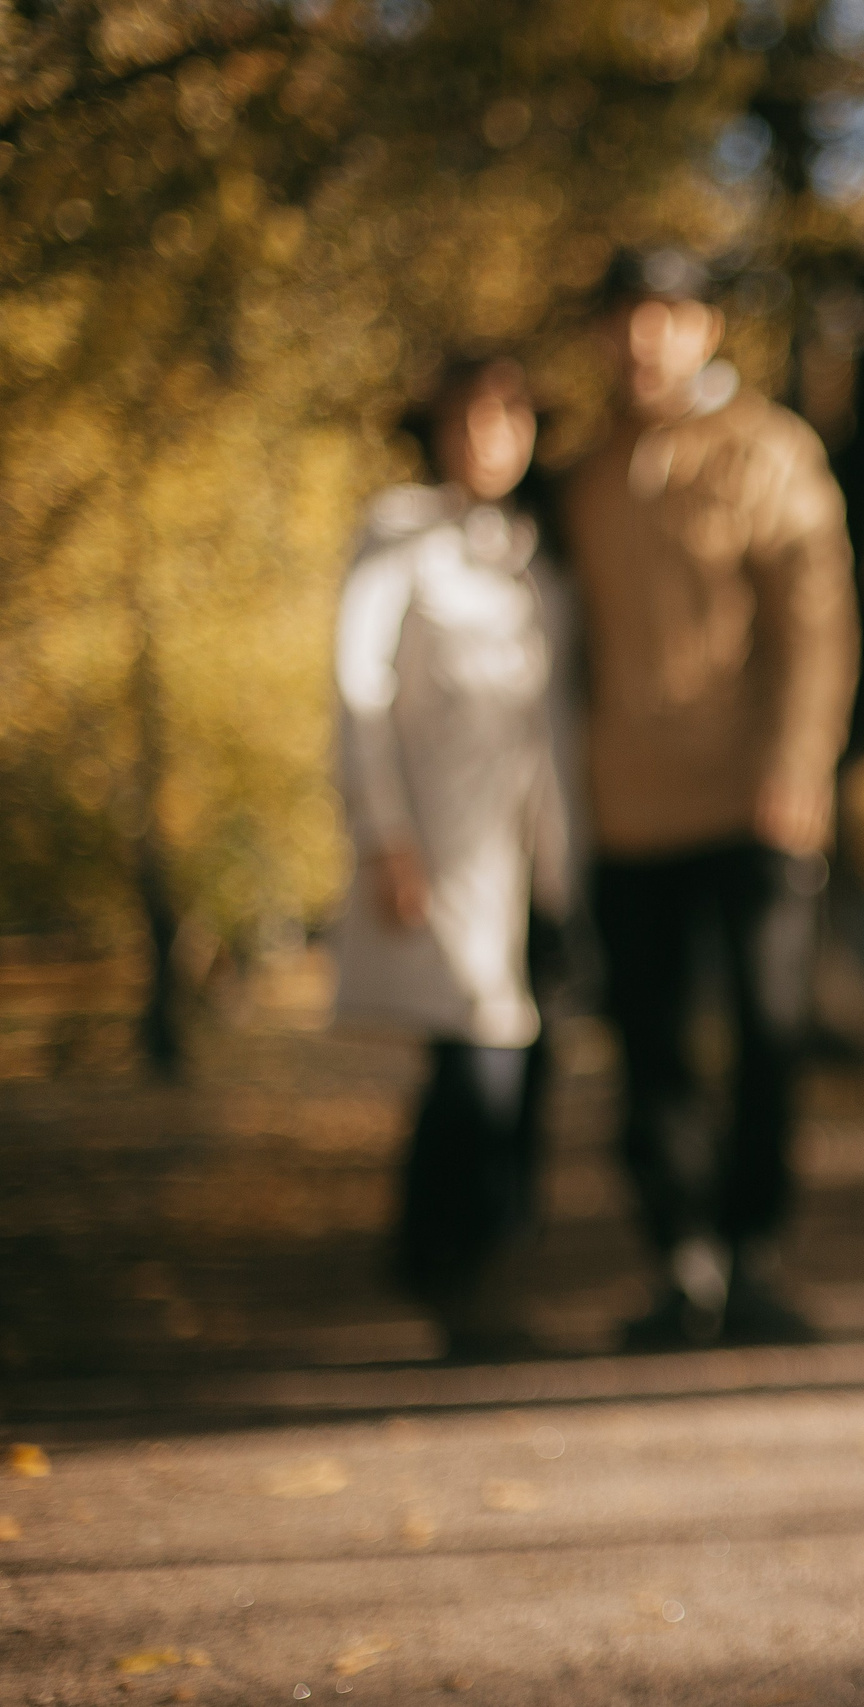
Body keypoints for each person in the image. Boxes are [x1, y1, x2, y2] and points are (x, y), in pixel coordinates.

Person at [562, 249, 857, 1348]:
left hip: (755, 805)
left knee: (767, 1035)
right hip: (626, 813)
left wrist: (796, 766)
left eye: (665, 318)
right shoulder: (585, 473)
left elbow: (814, 620)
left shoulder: (768, 452)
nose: (642, 340)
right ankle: (681, 1262)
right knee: (649, 1051)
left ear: (705, 329)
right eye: (623, 319)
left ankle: (754, 1257)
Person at [335, 357, 576, 1361]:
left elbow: (552, 727)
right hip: (436, 850)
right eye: (472, 416)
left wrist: (570, 867)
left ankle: (470, 1270)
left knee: (518, 1061)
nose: (491, 435)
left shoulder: (533, 557)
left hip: (529, 861)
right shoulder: (397, 535)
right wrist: (383, 837)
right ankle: (457, 1278)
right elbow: (357, 694)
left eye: (511, 416)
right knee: (477, 1063)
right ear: (436, 427)